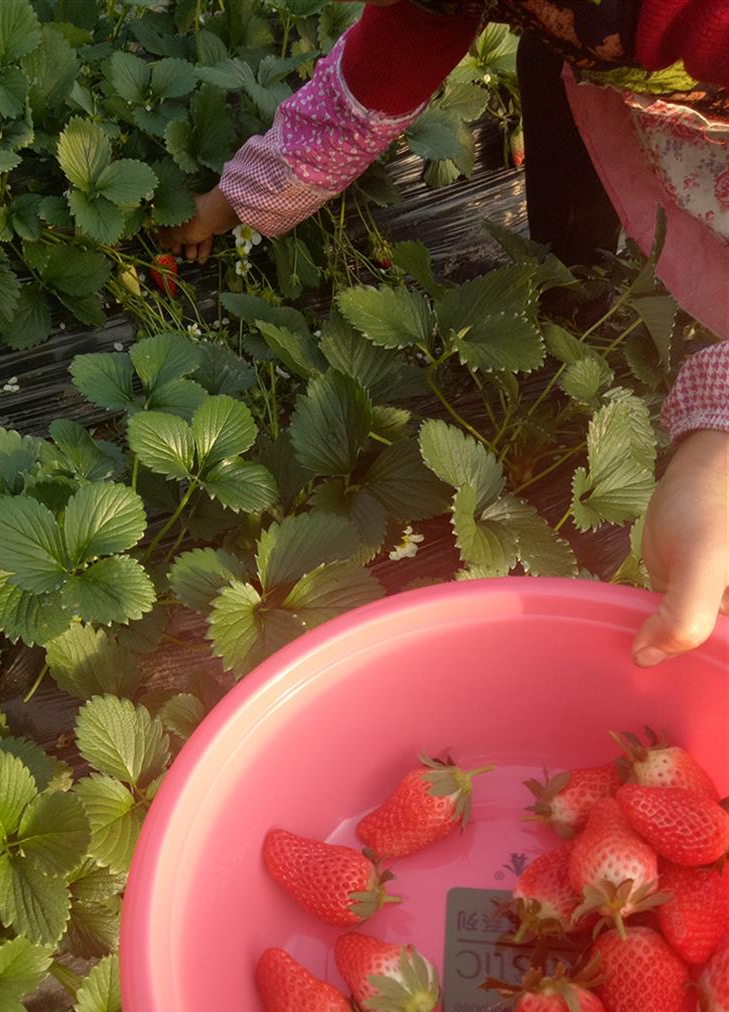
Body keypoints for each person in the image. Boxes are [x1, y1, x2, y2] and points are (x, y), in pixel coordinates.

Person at [160, 0, 729, 670]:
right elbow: (372, 78)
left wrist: (718, 455)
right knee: (556, 74)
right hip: (615, 68)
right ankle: (574, 271)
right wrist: (236, 201)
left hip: (697, 103)